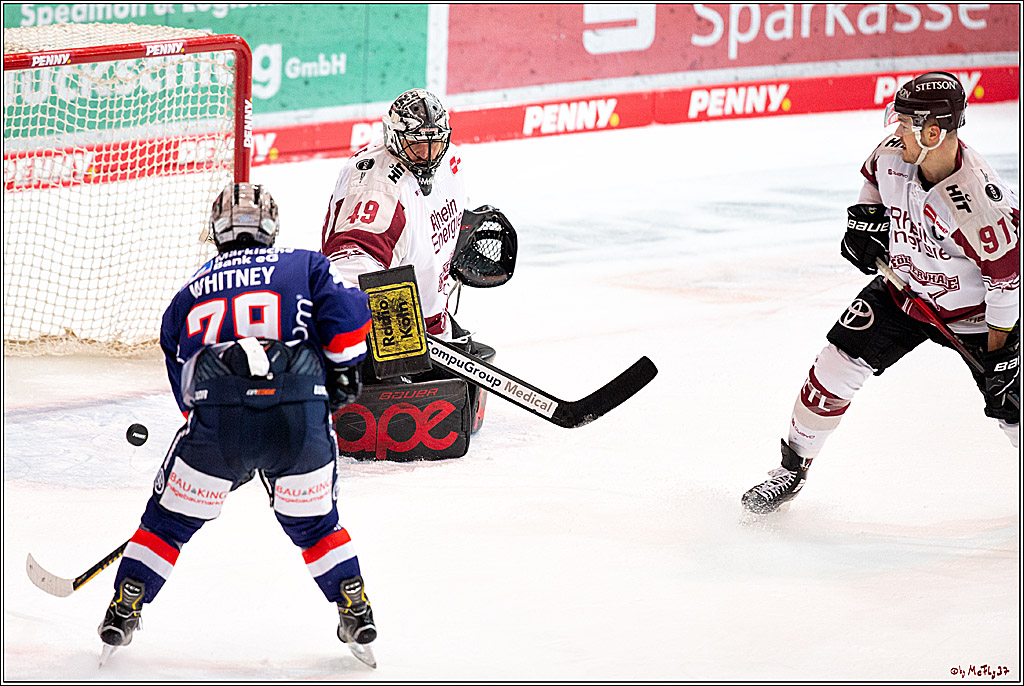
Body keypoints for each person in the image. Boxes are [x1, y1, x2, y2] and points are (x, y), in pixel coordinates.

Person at [97, 183, 379, 667]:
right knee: (315, 526)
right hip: (300, 413)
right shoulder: (306, 263)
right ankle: (352, 602)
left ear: (216, 231)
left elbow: (185, 387)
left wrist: (224, 437)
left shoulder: (187, 295)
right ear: (270, 226)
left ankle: (125, 607)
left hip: (220, 420)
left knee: (168, 524)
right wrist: (344, 368)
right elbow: (351, 314)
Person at [742, 71, 1020, 514]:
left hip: (975, 316)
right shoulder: (894, 154)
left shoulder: (980, 206)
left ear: (933, 131)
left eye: (906, 123)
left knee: (1012, 408)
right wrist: (865, 218)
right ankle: (790, 470)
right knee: (834, 366)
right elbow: (874, 177)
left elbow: (1007, 285)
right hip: (904, 292)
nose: (896, 131)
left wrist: (1003, 350)